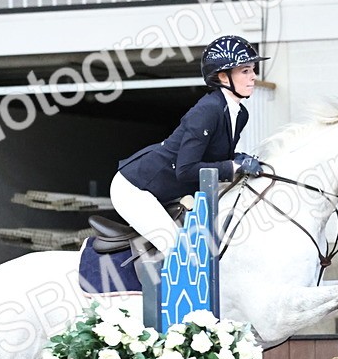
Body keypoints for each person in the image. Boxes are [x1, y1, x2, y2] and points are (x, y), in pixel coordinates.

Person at [112, 35, 268, 254]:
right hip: (135, 187)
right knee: (179, 251)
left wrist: (238, 158)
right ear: (223, 77)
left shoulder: (240, 114)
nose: (253, 77)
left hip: (165, 187)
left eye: (253, 69)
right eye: (245, 71)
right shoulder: (207, 111)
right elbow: (186, 170)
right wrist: (232, 167)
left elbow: (214, 156)